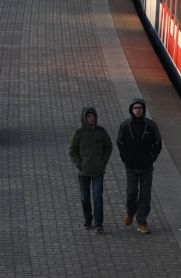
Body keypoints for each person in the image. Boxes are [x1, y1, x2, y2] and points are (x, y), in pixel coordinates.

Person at [118, 97, 162, 233]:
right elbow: (120, 143)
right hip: (131, 166)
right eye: (135, 108)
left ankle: (142, 221)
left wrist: (151, 158)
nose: (138, 110)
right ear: (131, 110)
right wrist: (125, 158)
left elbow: (158, 144)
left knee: (145, 195)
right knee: (131, 193)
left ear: (144, 110)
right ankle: (131, 213)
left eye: (140, 108)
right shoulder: (125, 126)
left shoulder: (151, 125)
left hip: (146, 167)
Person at [68, 105, 113, 232]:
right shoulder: (78, 133)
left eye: (93, 116)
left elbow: (108, 146)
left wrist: (103, 162)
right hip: (84, 172)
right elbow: (72, 150)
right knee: (85, 198)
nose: (91, 118)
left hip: (98, 171)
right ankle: (88, 219)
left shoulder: (101, 132)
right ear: (84, 118)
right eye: (88, 116)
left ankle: (99, 223)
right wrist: (79, 164)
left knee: (97, 196)